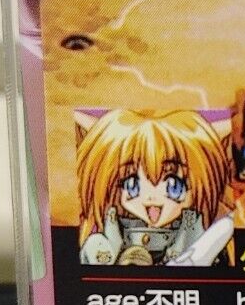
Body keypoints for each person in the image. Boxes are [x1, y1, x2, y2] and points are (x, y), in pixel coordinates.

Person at [76, 108, 235, 266]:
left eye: (173, 186)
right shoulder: (112, 231)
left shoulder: (197, 233)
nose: (151, 197)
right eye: (132, 185)